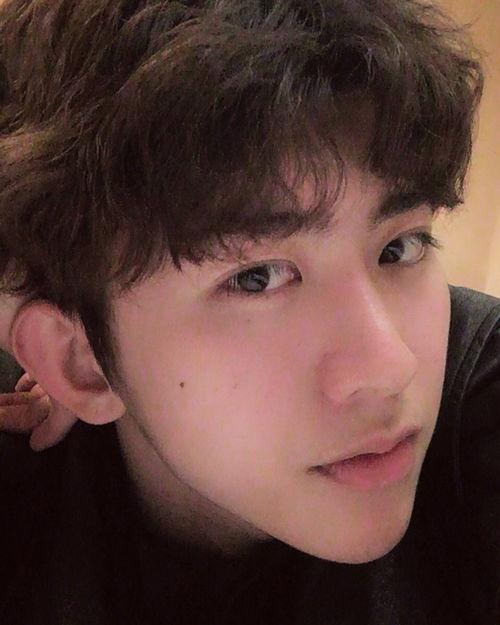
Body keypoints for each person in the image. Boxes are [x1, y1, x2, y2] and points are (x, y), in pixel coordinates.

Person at [0, 1, 498, 624]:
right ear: (82, 362)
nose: (391, 366)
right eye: (256, 278)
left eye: (400, 247)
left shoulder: (478, 390)